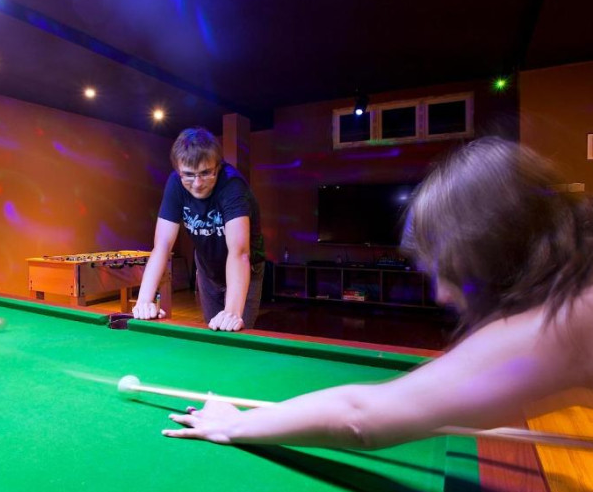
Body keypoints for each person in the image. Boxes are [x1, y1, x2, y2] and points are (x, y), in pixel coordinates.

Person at [162, 137, 593, 448]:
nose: (441, 296)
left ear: (486, 256)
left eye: (445, 270)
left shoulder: (561, 322)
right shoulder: (575, 295)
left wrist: (236, 425)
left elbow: (361, 417)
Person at [132, 127, 265, 331]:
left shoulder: (232, 185)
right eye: (188, 175)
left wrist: (232, 312)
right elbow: (162, 245)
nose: (197, 183)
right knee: (212, 334)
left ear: (218, 166)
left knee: (234, 332)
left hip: (246, 269)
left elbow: (239, 253)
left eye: (205, 173)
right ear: (178, 170)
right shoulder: (175, 184)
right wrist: (143, 301)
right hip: (207, 269)